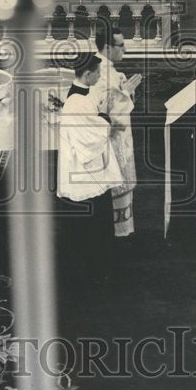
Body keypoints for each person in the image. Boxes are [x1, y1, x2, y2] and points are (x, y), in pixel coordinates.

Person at [57, 53, 123, 280]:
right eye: (97, 73)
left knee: (95, 213)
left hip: (85, 161)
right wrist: (106, 121)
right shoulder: (77, 102)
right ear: (87, 74)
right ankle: (93, 266)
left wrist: (102, 115)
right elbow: (88, 137)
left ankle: (97, 259)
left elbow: (91, 120)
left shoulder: (81, 95)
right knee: (92, 217)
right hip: (82, 166)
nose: (99, 76)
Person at [95, 26, 143, 239]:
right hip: (111, 138)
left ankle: (118, 229)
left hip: (111, 136)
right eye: (121, 45)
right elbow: (105, 109)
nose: (125, 49)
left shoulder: (104, 68)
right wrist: (126, 93)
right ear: (107, 47)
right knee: (117, 181)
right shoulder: (102, 74)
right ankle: (119, 232)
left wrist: (122, 88)